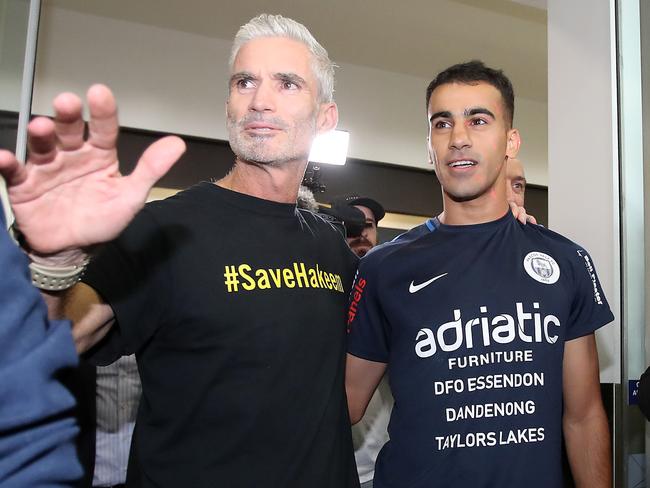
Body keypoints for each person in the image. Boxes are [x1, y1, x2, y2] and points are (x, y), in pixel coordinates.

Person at [1, 14, 359, 488]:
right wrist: (53, 265)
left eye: (287, 84)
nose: (259, 100)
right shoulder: (165, 229)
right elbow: (54, 344)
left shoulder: (332, 247)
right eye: (244, 82)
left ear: (325, 117)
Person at [345, 60, 613, 488]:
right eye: (442, 123)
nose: (459, 138)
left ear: (511, 141)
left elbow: (583, 416)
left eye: (478, 120)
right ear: (429, 145)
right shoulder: (383, 267)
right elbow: (346, 405)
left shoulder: (565, 261)